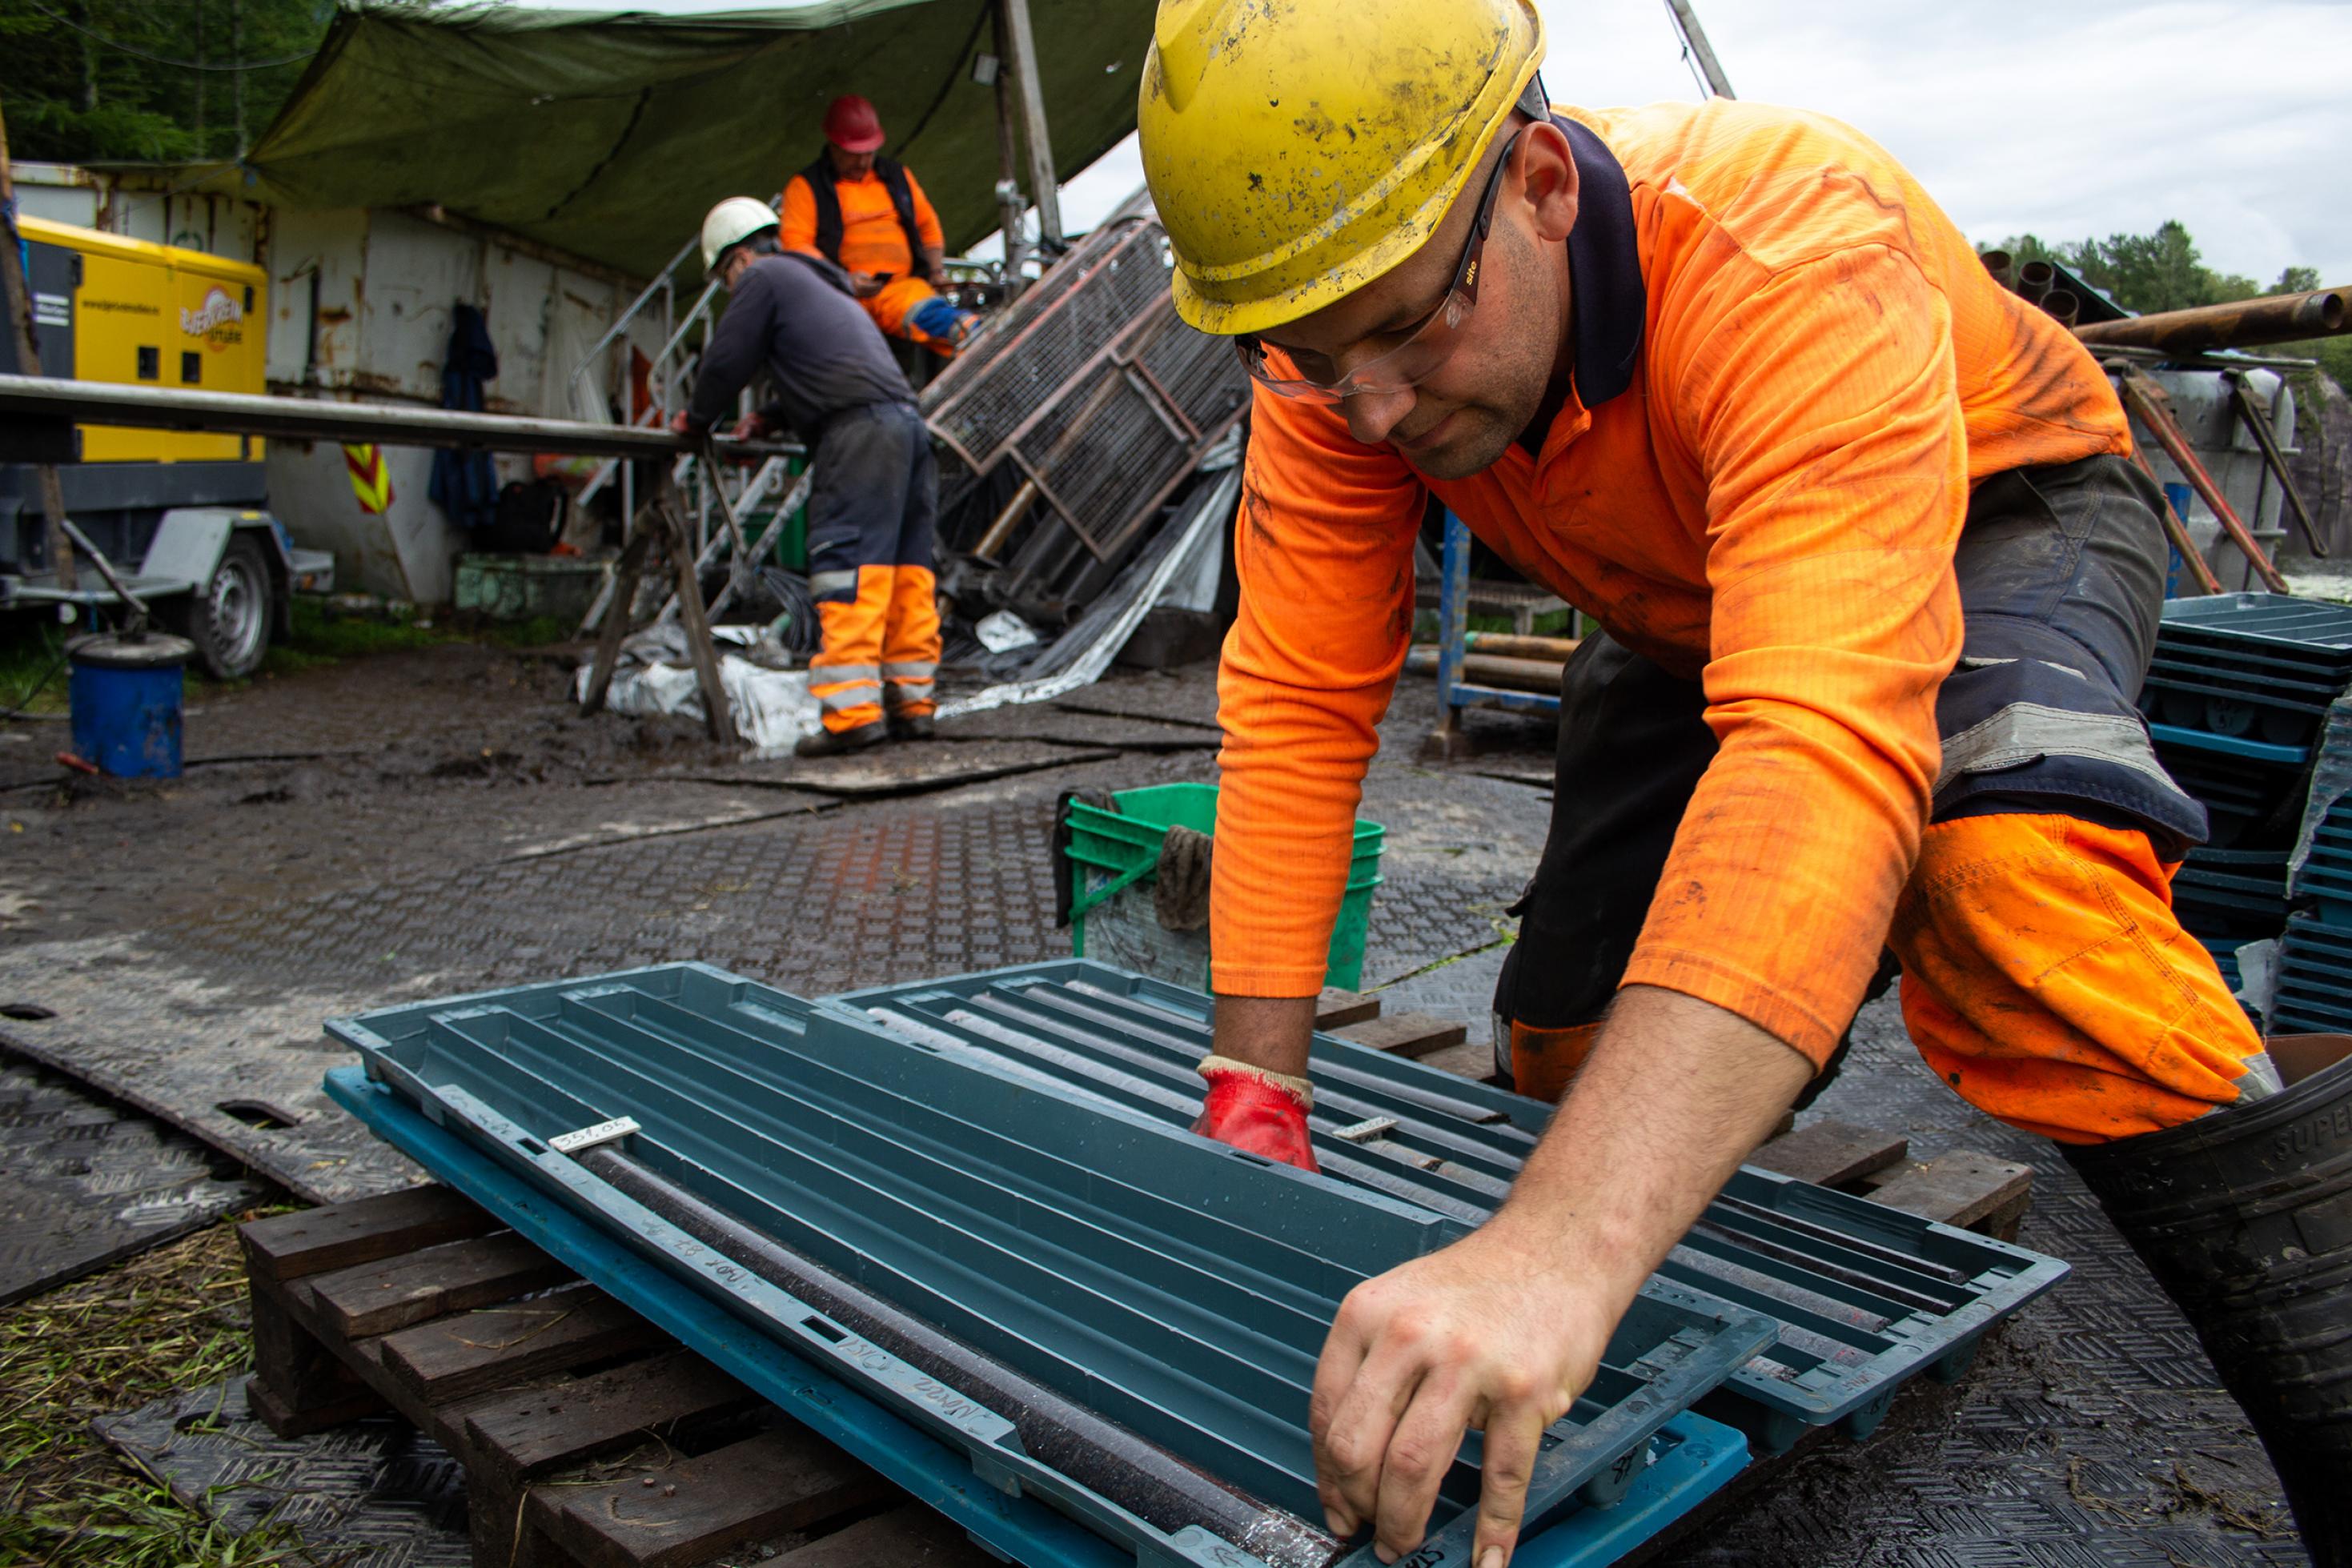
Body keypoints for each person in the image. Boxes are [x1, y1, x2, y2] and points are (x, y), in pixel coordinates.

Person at [1134, 1, 2352, 1563]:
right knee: (1567, 1032)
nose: (1369, 407)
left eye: (1411, 327)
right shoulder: (1330, 363)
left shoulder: (1789, 249)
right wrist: (1255, 1093)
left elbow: (1820, 739)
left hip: (1997, 510)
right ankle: (1638, 1315)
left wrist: (1558, 1245)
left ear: (1540, 185)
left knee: (2006, 901)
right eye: (1312, 354)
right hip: (1685, 589)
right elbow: (1299, 705)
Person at [674, 197, 940, 756]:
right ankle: (912, 705)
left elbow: (727, 359)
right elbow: (826, 367)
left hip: (858, 433)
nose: (732, 287)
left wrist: (697, 419)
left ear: (739, 258)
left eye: (727, 277)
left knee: (849, 567)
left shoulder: (763, 277)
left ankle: (851, 716)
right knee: (904, 572)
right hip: (907, 425)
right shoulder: (823, 284)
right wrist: (768, 417)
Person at [779, 95, 978, 356]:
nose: (863, 162)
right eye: (855, 155)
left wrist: (936, 270)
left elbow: (927, 225)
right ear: (833, 145)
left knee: (935, 317)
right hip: (840, 300)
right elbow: (795, 244)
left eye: (869, 153)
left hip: (900, 289)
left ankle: (976, 337)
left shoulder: (897, 176)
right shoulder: (805, 187)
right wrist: (844, 280)